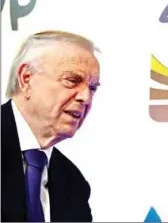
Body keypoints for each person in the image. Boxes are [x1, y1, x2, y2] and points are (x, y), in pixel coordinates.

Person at [1, 30, 101, 222]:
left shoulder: (74, 184)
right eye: (72, 81)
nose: (86, 97)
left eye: (93, 88)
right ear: (26, 79)